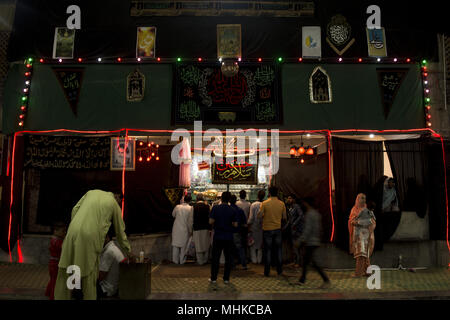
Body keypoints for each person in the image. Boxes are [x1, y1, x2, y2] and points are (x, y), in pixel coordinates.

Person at [54, 190, 131, 300]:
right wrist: (128, 250)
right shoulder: (113, 203)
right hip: (91, 236)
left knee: (70, 268)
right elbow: (120, 232)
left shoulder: (91, 192)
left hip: (72, 232)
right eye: (119, 201)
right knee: (89, 275)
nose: (118, 203)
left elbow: (75, 209)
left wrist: (75, 227)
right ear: (117, 196)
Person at [298, 197, 330, 288]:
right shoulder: (317, 214)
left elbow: (307, 229)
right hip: (315, 240)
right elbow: (319, 229)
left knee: (311, 262)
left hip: (310, 241)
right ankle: (302, 279)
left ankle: (325, 280)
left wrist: (301, 240)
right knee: (307, 261)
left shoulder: (309, 214)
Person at [209, 191, 238, 284]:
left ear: (221, 198)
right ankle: (226, 278)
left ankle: (213, 278)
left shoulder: (215, 208)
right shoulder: (233, 210)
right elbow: (236, 224)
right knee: (228, 259)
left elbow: (210, 221)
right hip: (228, 237)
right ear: (229, 199)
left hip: (218, 236)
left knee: (215, 258)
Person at [258, 186, 287, 277]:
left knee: (268, 251)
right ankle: (279, 271)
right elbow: (284, 217)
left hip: (267, 229)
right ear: (277, 193)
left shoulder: (265, 203)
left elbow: (259, 216)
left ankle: (267, 272)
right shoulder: (282, 204)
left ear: (269, 193)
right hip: (277, 229)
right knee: (278, 250)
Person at [349, 193, 376, 277]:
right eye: (361, 198)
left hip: (366, 235)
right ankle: (367, 271)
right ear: (357, 199)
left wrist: (358, 223)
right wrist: (354, 222)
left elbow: (372, 222)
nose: (363, 200)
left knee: (363, 254)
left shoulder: (367, 210)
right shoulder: (354, 209)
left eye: (364, 198)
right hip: (358, 235)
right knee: (362, 254)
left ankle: (358, 273)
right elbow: (351, 220)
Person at [97, 227, 126, 299]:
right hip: (114, 286)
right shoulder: (113, 248)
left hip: (107, 289)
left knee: (80, 288)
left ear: (107, 237)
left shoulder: (108, 252)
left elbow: (100, 276)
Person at [45, 222, 67, 300]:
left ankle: (48, 292)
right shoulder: (57, 241)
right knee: (55, 281)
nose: (64, 232)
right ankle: (53, 297)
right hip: (55, 264)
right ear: (55, 231)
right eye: (63, 231)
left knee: (53, 279)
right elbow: (62, 248)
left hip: (52, 263)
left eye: (65, 231)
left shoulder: (54, 239)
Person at [171, 194, 193, 265]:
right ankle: (182, 261)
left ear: (184, 200)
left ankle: (175, 261)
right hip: (185, 229)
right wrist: (190, 231)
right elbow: (190, 221)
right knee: (184, 246)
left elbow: (173, 215)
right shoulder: (190, 208)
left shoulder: (177, 207)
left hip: (176, 228)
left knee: (175, 246)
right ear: (190, 201)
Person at [230, 194, 248, 270]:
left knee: (230, 249)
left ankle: (232, 265)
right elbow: (244, 223)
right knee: (240, 248)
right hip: (238, 231)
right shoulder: (240, 210)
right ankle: (244, 264)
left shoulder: (228, 209)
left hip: (229, 232)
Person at [193, 193, 211, 265]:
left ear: (197, 199)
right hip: (206, 227)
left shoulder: (193, 207)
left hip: (197, 228)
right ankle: (205, 260)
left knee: (198, 244)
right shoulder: (207, 206)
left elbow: (191, 218)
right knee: (205, 243)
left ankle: (200, 261)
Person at [286, 195, 304, 267]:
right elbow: (290, 219)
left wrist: (294, 223)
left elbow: (301, 215)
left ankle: (298, 262)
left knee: (296, 246)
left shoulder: (296, 206)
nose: (288, 199)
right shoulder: (291, 207)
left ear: (294, 199)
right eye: (288, 198)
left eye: (290, 198)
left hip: (297, 229)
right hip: (293, 229)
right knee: (294, 246)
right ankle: (295, 261)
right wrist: (285, 227)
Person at [248, 190, 265, 264]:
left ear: (257, 196)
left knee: (253, 244)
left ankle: (254, 260)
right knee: (260, 245)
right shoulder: (264, 204)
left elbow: (251, 218)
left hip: (254, 227)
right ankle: (259, 260)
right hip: (262, 227)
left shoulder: (253, 205)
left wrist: (248, 224)